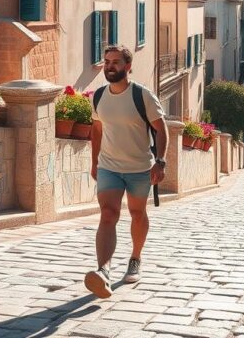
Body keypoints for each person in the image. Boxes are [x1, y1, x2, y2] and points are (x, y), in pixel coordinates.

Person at [84, 45, 167, 298]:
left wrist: (160, 161)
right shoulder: (98, 97)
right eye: (107, 61)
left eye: (115, 62)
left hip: (140, 167)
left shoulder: (142, 96)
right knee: (108, 214)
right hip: (109, 166)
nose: (110, 66)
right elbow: (96, 131)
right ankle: (103, 271)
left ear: (127, 66)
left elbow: (162, 129)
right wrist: (95, 162)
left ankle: (135, 258)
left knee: (137, 213)